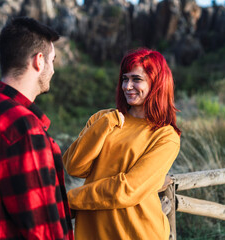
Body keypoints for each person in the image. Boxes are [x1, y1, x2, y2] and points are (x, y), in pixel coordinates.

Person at [0, 17, 74, 240]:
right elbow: (43, 231)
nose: (53, 70)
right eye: (53, 60)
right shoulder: (24, 129)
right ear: (39, 61)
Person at [63, 48, 181, 240]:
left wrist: (67, 200)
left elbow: (128, 189)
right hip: (92, 232)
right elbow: (74, 166)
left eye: (136, 79)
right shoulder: (102, 119)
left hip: (137, 233)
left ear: (157, 83)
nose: (127, 86)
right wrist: (105, 125)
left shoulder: (165, 136)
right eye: (124, 79)